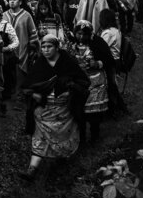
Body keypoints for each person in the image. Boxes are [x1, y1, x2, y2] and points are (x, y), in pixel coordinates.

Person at [17, 35, 90, 182]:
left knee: (64, 138)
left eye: (49, 47)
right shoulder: (40, 64)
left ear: (57, 47)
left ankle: (62, 165)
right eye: (43, 47)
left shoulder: (67, 62)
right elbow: (28, 85)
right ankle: (32, 169)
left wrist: (71, 88)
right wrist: (35, 94)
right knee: (39, 137)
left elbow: (83, 81)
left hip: (64, 112)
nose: (45, 50)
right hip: (44, 111)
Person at [69, 21, 111, 145]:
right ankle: (81, 139)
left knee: (94, 114)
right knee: (79, 112)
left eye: (84, 34)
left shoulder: (97, 44)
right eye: (78, 34)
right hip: (79, 82)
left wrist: (97, 63)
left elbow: (108, 59)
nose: (81, 37)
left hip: (95, 81)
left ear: (89, 34)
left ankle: (94, 137)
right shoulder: (71, 45)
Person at [3, 0, 39, 97]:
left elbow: (33, 33)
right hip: (7, 51)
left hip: (22, 50)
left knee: (20, 75)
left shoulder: (26, 15)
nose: (12, 1)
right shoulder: (4, 15)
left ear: (20, 1)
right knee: (7, 75)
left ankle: (19, 99)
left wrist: (32, 49)